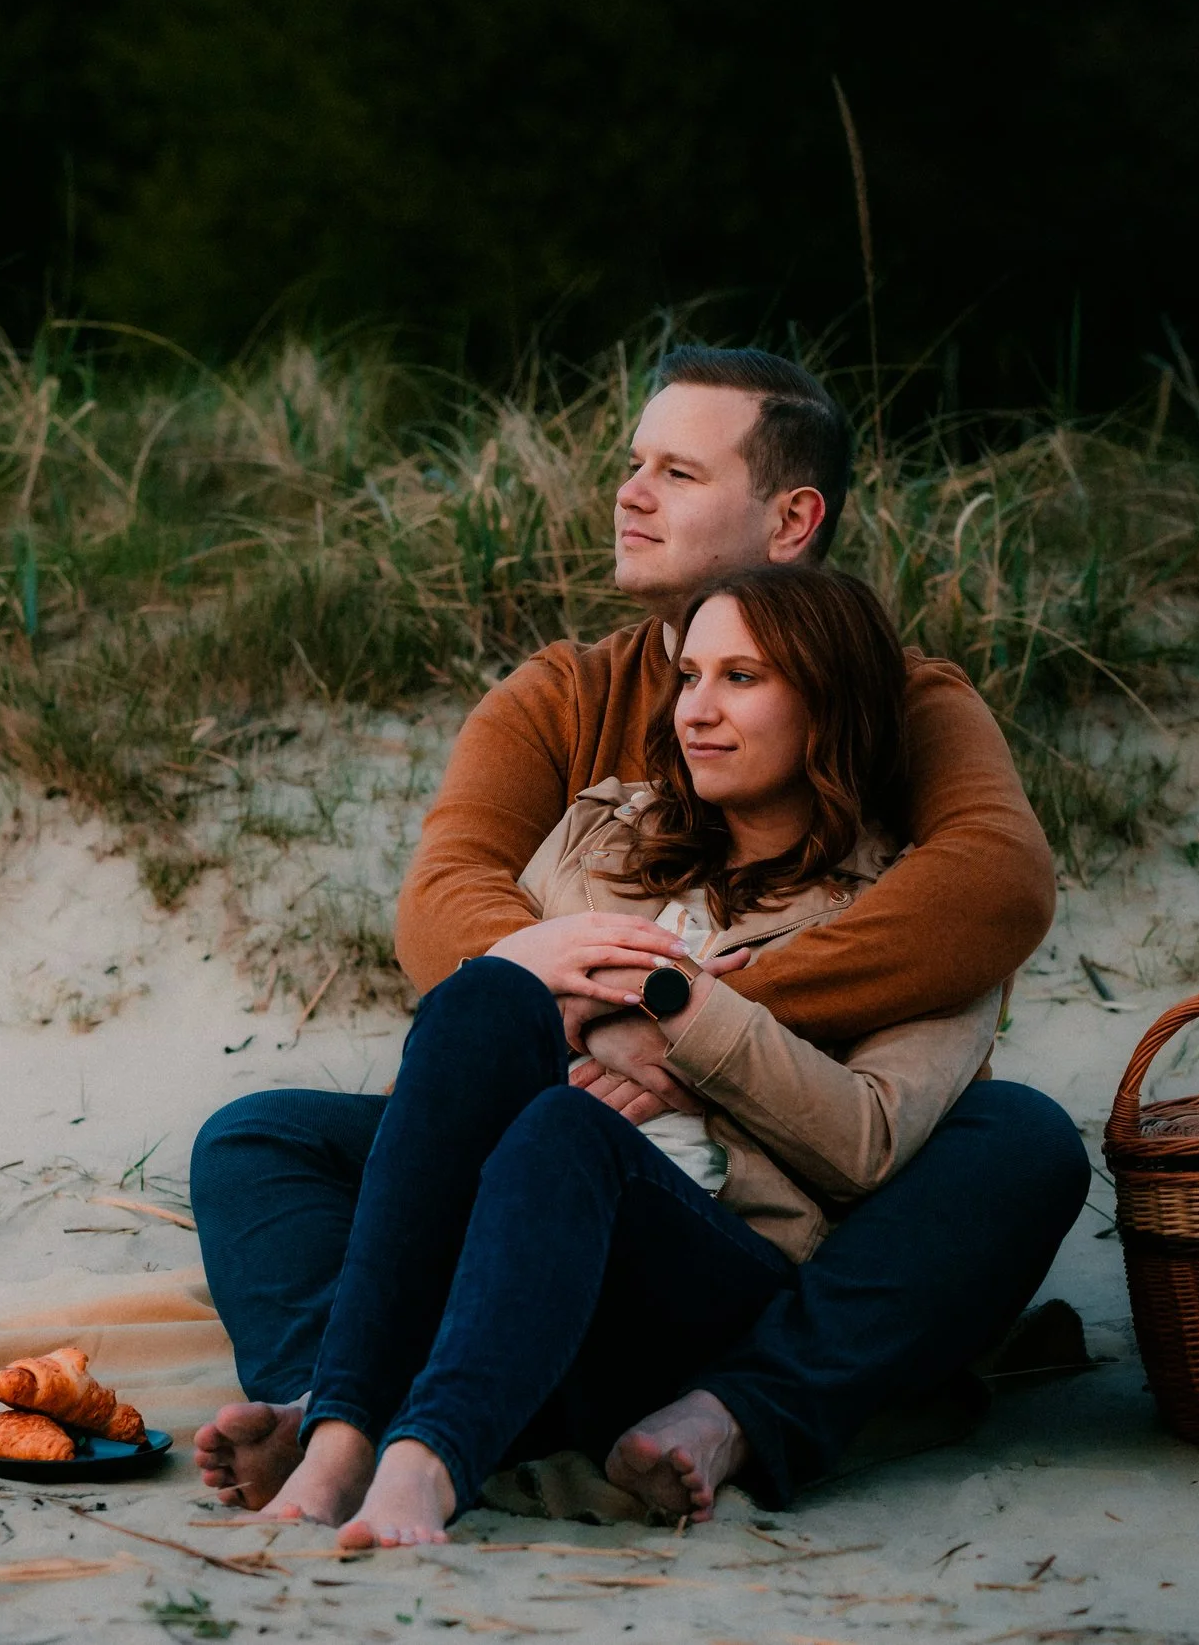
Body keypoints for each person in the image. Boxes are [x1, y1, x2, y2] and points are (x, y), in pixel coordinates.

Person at [193, 347, 1084, 1523]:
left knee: (1017, 1140)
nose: (628, 492)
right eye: (631, 463)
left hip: (757, 1170)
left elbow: (991, 893)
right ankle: (335, 1399)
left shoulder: (898, 700)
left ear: (791, 517)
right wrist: (588, 1007)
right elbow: (445, 898)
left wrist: (695, 1017)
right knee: (263, 1138)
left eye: (675, 469)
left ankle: (740, 1403)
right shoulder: (563, 700)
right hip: (567, 1097)